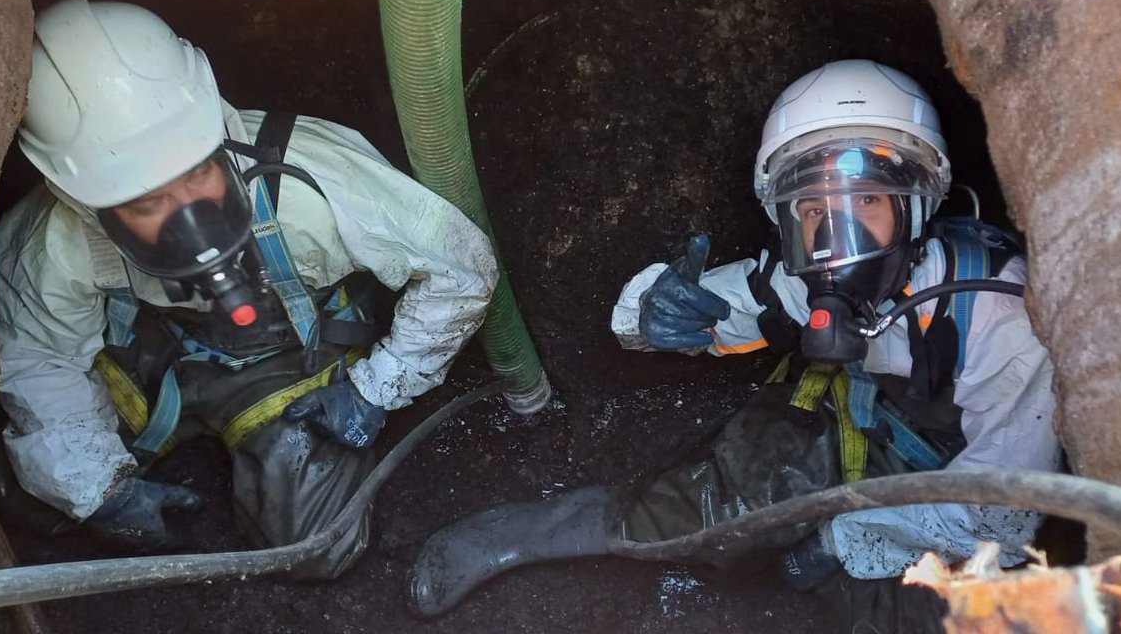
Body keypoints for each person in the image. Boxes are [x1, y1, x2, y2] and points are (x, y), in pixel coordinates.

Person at [407, 59, 1060, 630]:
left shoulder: (999, 316)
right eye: (813, 208)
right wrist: (650, 313)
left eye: (865, 198)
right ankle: (534, 534)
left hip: (955, 480)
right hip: (849, 428)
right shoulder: (806, 282)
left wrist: (841, 538)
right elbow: (712, 310)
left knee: (935, 615)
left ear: (917, 203)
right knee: (714, 515)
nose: (838, 231)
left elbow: (1000, 510)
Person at [0, 0, 498, 578]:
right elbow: (36, 355)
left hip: (287, 356)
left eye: (198, 172)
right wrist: (100, 490)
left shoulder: (313, 179)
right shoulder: (52, 242)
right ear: (83, 199)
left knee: (313, 544)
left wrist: (373, 390)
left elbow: (460, 270)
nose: (188, 212)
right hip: (149, 354)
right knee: (24, 490)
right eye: (147, 201)